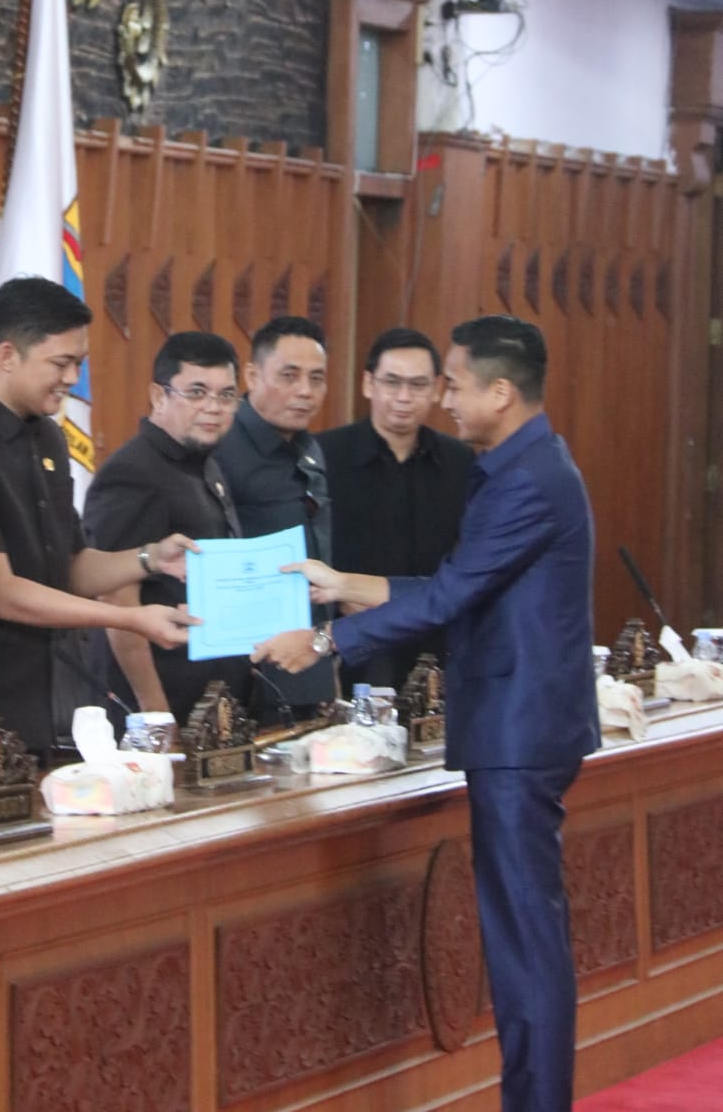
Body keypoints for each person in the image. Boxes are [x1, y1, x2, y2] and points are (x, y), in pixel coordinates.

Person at [253, 315, 599, 1112]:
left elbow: (451, 596)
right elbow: (458, 582)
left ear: (501, 392)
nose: (444, 400)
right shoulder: (523, 463)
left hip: (518, 734)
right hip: (518, 726)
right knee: (524, 939)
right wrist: (345, 582)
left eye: (455, 384)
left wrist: (326, 639)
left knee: (525, 948)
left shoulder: (527, 478)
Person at [0, 276, 199, 761]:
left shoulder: (49, 438)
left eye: (79, 363)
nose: (73, 378)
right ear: (8, 355)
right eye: (61, 363)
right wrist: (129, 618)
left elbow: (70, 568)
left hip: (55, 702)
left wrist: (150, 558)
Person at [84, 330, 250, 728]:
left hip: (211, 697)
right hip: (159, 704)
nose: (213, 408)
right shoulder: (132, 473)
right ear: (159, 396)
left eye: (227, 395)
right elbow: (117, 600)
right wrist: (155, 712)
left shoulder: (204, 463)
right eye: (197, 392)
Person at [317, 326, 473, 693]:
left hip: (435, 641)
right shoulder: (324, 455)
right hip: (352, 641)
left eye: (418, 385)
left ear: (437, 390)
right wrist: (340, 601)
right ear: (368, 384)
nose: (404, 397)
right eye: (392, 382)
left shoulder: (462, 462)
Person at [214, 314, 336, 719]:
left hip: (307, 657)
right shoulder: (220, 446)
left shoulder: (310, 448)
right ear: (252, 375)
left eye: (317, 379)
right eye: (289, 375)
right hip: (243, 669)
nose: (305, 391)